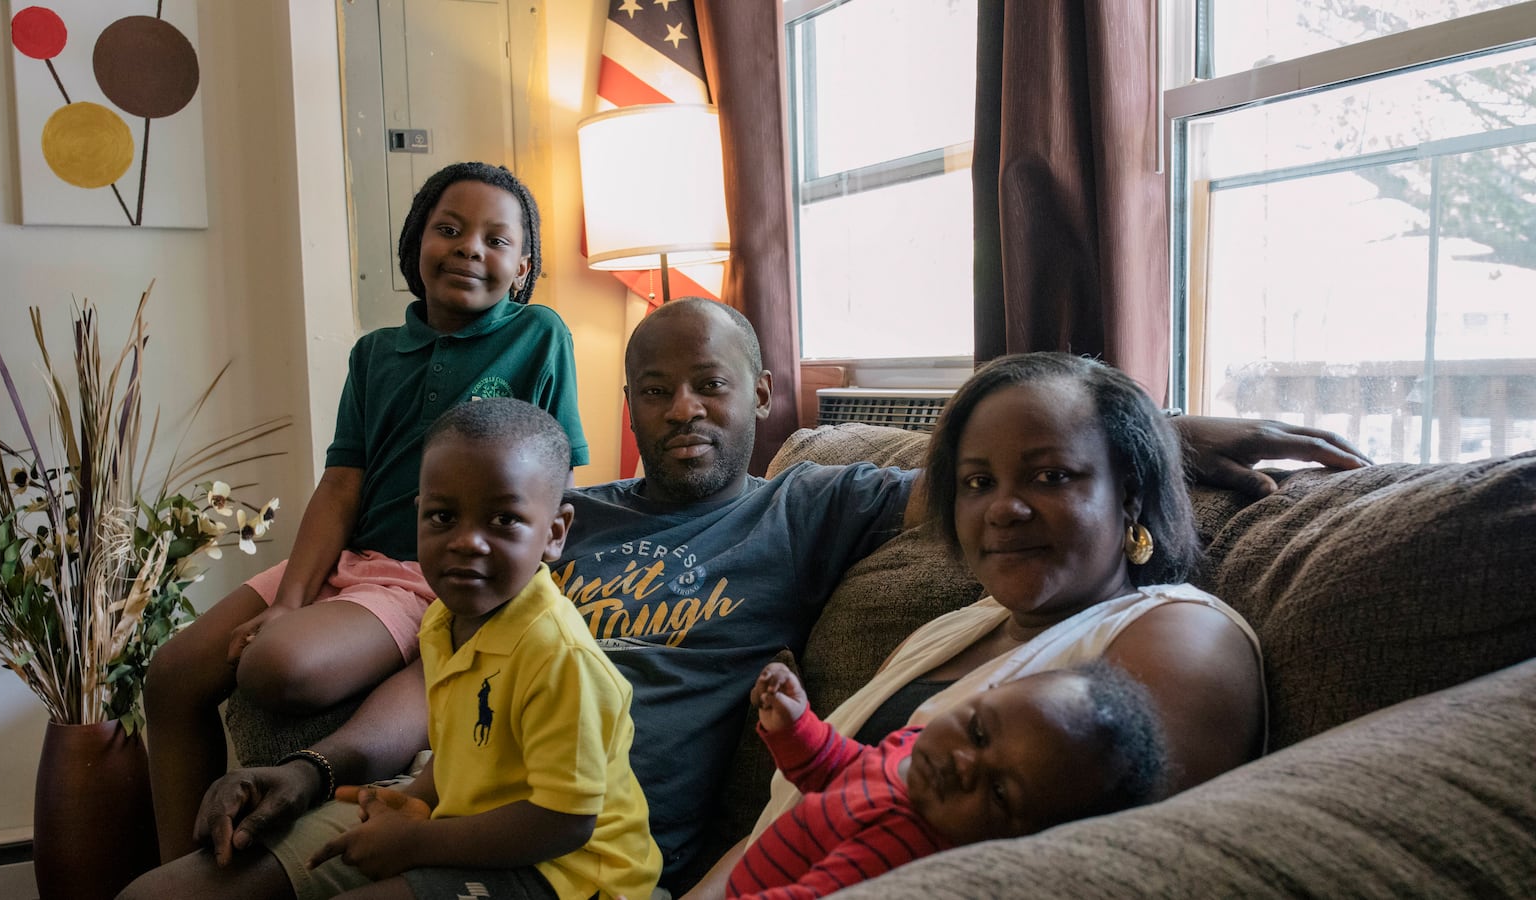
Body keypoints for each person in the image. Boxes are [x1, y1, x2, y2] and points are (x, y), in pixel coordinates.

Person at [118, 299, 1368, 900]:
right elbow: (449, 668)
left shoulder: (804, 507)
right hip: (444, 796)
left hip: (577, 859)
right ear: (622, 406)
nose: (683, 410)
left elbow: (980, 462)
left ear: (763, 393)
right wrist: (319, 767)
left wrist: (1167, 426)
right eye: (653, 389)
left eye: (710, 384)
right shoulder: (554, 516)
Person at [688, 351, 1267, 899]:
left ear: (1130, 494)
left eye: (1051, 475)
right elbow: (801, 811)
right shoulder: (948, 631)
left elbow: (1117, 873)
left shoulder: (1181, 632)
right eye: (978, 482)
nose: (1002, 508)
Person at [143, 162, 590, 862]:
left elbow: (557, 478)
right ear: (416, 244)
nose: (470, 248)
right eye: (449, 229)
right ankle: (183, 875)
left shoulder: (539, 334)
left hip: (423, 573)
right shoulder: (374, 353)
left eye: (496, 240)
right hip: (348, 558)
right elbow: (341, 486)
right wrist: (289, 599)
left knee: (272, 667)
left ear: (522, 268)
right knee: (171, 674)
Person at [302, 399, 658, 900]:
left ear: (555, 534)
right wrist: (414, 800)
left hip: (576, 875)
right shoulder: (441, 622)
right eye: (443, 516)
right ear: (418, 516)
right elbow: (466, 750)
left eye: (504, 519)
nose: (467, 541)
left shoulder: (559, 657)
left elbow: (567, 822)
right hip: (489, 840)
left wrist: (416, 844)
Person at [726, 659, 1167, 899]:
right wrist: (796, 725)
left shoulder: (902, 847)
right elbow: (844, 774)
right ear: (984, 694)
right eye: (978, 732)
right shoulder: (911, 745)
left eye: (1000, 792)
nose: (963, 763)